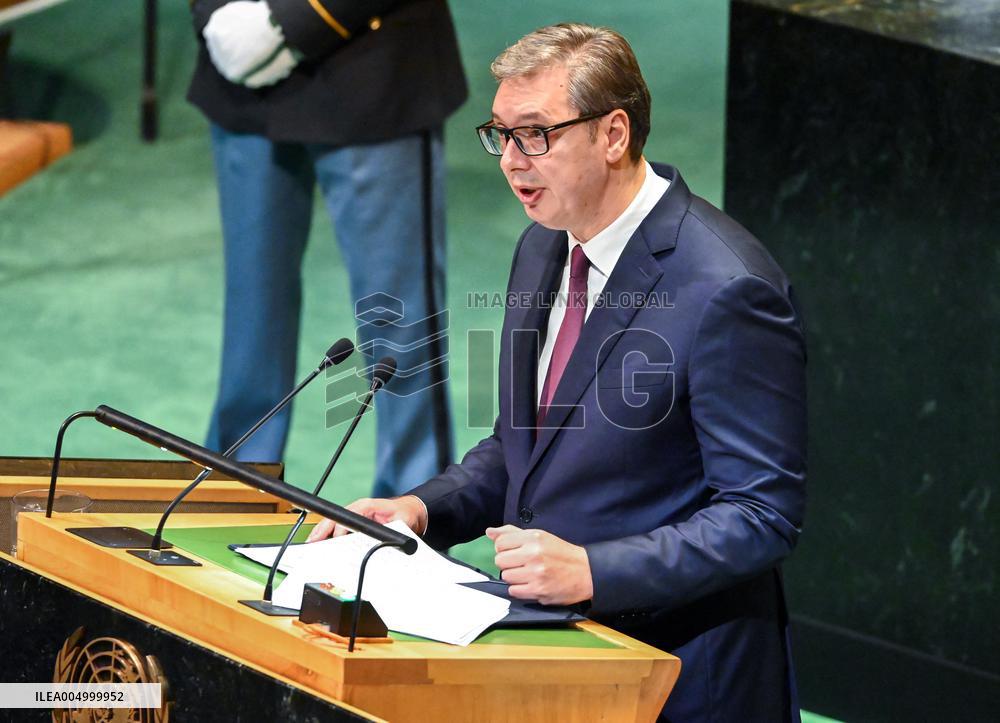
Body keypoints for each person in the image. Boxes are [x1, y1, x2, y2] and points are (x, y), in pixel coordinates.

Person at [309, 23, 807, 722]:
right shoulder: (544, 246)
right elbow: (523, 450)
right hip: (551, 661)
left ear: (613, 134)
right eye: (501, 135)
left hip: (677, 678)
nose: (512, 161)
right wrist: (419, 510)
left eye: (536, 134)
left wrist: (594, 570)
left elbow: (762, 514)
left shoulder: (728, 287)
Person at [186, 0, 466, 496]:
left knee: (397, 322)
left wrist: (290, 23)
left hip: (370, 65)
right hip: (241, 74)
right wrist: (218, 15)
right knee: (251, 309)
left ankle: (412, 513)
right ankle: (231, 494)